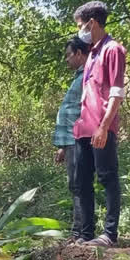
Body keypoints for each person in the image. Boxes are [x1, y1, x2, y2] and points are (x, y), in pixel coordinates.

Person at [71, 1, 127, 248]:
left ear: (92, 23)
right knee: (82, 181)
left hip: (101, 127)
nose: (79, 31)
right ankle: (84, 234)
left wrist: (104, 126)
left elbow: (116, 92)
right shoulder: (92, 52)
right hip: (83, 128)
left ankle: (109, 234)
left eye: (81, 26)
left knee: (107, 177)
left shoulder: (112, 50)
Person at [53, 37, 88, 243]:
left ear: (79, 53)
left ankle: (81, 232)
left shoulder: (87, 77)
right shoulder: (78, 77)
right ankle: (78, 230)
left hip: (79, 138)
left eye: (68, 55)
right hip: (70, 141)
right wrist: (63, 147)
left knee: (79, 184)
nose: (66, 59)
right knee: (74, 184)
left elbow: (84, 110)